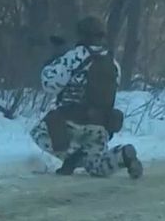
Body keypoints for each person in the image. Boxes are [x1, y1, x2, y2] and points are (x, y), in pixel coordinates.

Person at [31, 16, 143, 178]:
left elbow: (49, 84)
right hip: (100, 126)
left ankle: (73, 156)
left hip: (71, 122)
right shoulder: (112, 62)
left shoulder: (73, 56)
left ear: (81, 34)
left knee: (38, 132)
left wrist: (53, 62)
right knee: (96, 166)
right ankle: (123, 155)